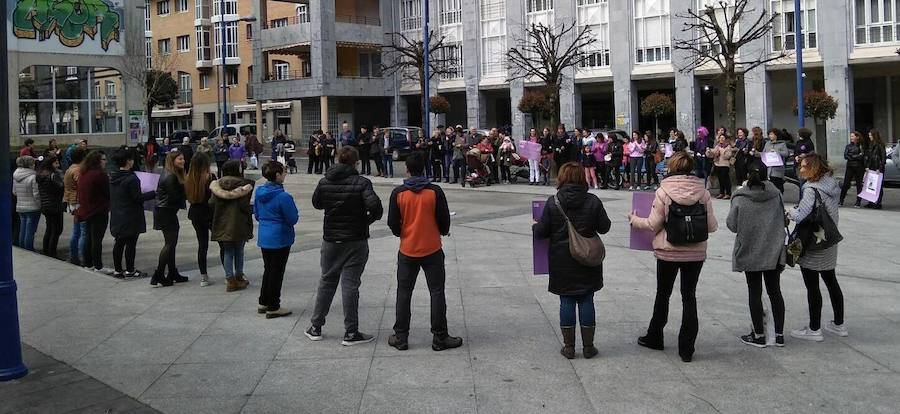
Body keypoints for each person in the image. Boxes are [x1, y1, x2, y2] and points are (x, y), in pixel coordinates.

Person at [628, 152, 718, 362]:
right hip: (695, 253)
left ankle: (655, 336)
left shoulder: (663, 191)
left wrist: (634, 220)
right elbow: (712, 226)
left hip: (668, 251)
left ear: (671, 167)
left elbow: (652, 224)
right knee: (689, 296)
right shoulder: (703, 192)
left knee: (663, 293)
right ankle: (687, 349)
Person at [306, 146, 384, 345]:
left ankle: (316, 326)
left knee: (327, 281)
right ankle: (351, 331)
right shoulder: (362, 183)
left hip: (331, 238)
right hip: (355, 239)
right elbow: (375, 206)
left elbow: (317, 203)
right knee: (350, 286)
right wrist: (366, 220)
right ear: (355, 162)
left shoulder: (325, 181)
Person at [534, 162, 611, 359]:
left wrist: (535, 226)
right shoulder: (593, 201)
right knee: (587, 299)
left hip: (561, 261)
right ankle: (588, 347)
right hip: (587, 259)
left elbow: (541, 232)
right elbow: (604, 227)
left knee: (566, 300)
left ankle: (569, 347)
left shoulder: (554, 201)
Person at [386, 151, 461, 351]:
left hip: (408, 249)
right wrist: (441, 231)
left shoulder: (399, 193)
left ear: (407, 170)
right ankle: (440, 337)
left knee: (404, 292)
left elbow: (392, 223)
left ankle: (401, 336)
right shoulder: (434, 192)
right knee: (436, 292)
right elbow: (444, 220)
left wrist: (403, 233)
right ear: (425, 169)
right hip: (432, 248)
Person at [727, 158, 787, 348]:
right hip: (773, 249)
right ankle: (779, 335)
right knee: (775, 291)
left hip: (750, 249)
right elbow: (783, 218)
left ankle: (759, 335)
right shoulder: (776, 195)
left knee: (755, 292)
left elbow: (732, 225)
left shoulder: (740, 197)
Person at [787, 153, 847, 341]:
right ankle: (839, 324)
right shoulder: (831, 184)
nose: (801, 169)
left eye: (805, 166)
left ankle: (814, 329)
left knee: (812, 286)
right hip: (829, 239)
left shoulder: (811, 189)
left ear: (814, 168)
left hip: (813, 243)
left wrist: (790, 211)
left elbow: (802, 215)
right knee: (831, 281)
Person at [254, 161, 300, 319]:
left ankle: (264, 301)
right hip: (279, 236)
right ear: (277, 175)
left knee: (268, 269)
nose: (285, 174)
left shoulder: (259, 192)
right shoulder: (283, 196)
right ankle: (273, 305)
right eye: (283, 172)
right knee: (276, 271)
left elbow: (257, 215)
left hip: (265, 234)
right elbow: (292, 218)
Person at [109, 149, 155, 279]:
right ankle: (130, 269)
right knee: (130, 244)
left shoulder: (113, 176)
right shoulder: (131, 178)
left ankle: (118, 270)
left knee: (118, 243)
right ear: (129, 162)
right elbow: (137, 198)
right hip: (131, 215)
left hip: (118, 214)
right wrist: (153, 193)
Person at [210, 160, 255, 292]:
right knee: (239, 250)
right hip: (239, 222)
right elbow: (244, 206)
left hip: (222, 222)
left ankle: (230, 280)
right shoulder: (244, 185)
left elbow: (211, 203)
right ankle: (239, 276)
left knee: (228, 251)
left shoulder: (217, 185)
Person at [151, 151, 188, 287]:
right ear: (172, 161)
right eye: (179, 159)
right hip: (166, 212)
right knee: (170, 244)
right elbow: (175, 196)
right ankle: (159, 274)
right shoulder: (170, 176)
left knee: (171, 243)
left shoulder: (171, 174)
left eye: (183, 158)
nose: (182, 161)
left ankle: (172, 272)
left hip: (166, 211)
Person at [75, 151, 114, 275]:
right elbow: (108, 193)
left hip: (86, 210)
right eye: (103, 159)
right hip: (98, 210)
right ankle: (98, 265)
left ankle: (88, 263)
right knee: (97, 239)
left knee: (88, 238)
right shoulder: (99, 175)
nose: (105, 162)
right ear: (97, 161)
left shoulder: (84, 174)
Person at [184, 153, 217, 287]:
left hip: (195, 213)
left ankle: (204, 276)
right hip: (209, 212)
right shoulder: (210, 178)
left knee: (202, 245)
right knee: (221, 242)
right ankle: (229, 274)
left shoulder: (188, 179)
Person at [37, 155, 64, 258]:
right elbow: (60, 187)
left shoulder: (40, 174)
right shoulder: (53, 175)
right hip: (55, 205)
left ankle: (46, 250)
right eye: (55, 162)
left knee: (49, 228)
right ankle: (52, 252)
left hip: (45, 205)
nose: (58, 164)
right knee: (56, 229)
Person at [64, 148, 87, 265]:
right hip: (78, 202)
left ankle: (74, 255)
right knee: (82, 231)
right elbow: (81, 186)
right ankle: (82, 257)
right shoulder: (78, 170)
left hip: (71, 201)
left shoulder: (69, 169)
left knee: (76, 230)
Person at [13, 156, 41, 251]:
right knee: (30, 231)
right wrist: (39, 205)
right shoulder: (33, 177)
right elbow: (36, 194)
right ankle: (29, 249)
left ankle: (23, 248)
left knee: (23, 229)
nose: (34, 165)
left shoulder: (15, 175)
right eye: (33, 163)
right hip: (33, 207)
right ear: (29, 165)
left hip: (20, 206)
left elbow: (14, 192)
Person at [840, 131, 866, 207]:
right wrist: (856, 156)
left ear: (857, 137)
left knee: (859, 184)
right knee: (846, 183)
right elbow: (846, 155)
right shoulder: (848, 146)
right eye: (851, 136)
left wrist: (852, 156)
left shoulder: (861, 146)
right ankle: (841, 200)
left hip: (859, 167)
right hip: (850, 166)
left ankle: (858, 201)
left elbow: (862, 156)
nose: (851, 138)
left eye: (852, 136)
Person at [864, 129, 887, 209]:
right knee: (871, 185)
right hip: (871, 167)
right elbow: (869, 157)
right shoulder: (871, 144)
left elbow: (883, 158)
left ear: (874, 135)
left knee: (879, 186)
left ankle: (878, 203)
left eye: (870, 135)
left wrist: (879, 168)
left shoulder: (880, 145)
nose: (869, 137)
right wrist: (867, 166)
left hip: (878, 168)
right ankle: (871, 202)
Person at [708, 134, 735, 199]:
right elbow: (713, 154)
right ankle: (721, 193)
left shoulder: (728, 147)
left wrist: (721, 153)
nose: (722, 139)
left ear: (725, 139)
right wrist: (710, 152)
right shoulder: (717, 146)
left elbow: (728, 155)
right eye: (720, 138)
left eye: (723, 138)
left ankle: (728, 193)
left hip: (725, 165)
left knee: (725, 179)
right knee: (720, 179)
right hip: (717, 164)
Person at [763, 129, 790, 193]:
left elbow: (786, 154)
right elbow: (763, 153)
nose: (770, 136)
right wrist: (757, 153)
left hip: (778, 169)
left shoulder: (782, 144)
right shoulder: (767, 143)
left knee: (778, 186)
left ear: (776, 135)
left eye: (771, 134)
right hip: (769, 168)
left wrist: (777, 152)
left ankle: (780, 199)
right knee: (770, 186)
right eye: (769, 134)